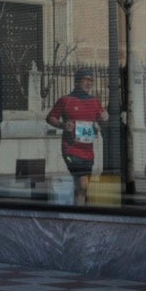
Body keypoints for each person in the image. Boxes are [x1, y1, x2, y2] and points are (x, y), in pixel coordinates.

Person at [45, 71, 107, 202]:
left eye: (91, 80)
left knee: (82, 186)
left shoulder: (95, 102)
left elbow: (102, 123)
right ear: (77, 82)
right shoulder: (65, 100)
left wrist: (104, 118)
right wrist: (63, 125)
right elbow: (50, 118)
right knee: (82, 182)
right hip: (71, 149)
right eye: (86, 79)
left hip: (88, 151)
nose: (89, 83)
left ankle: (77, 211)